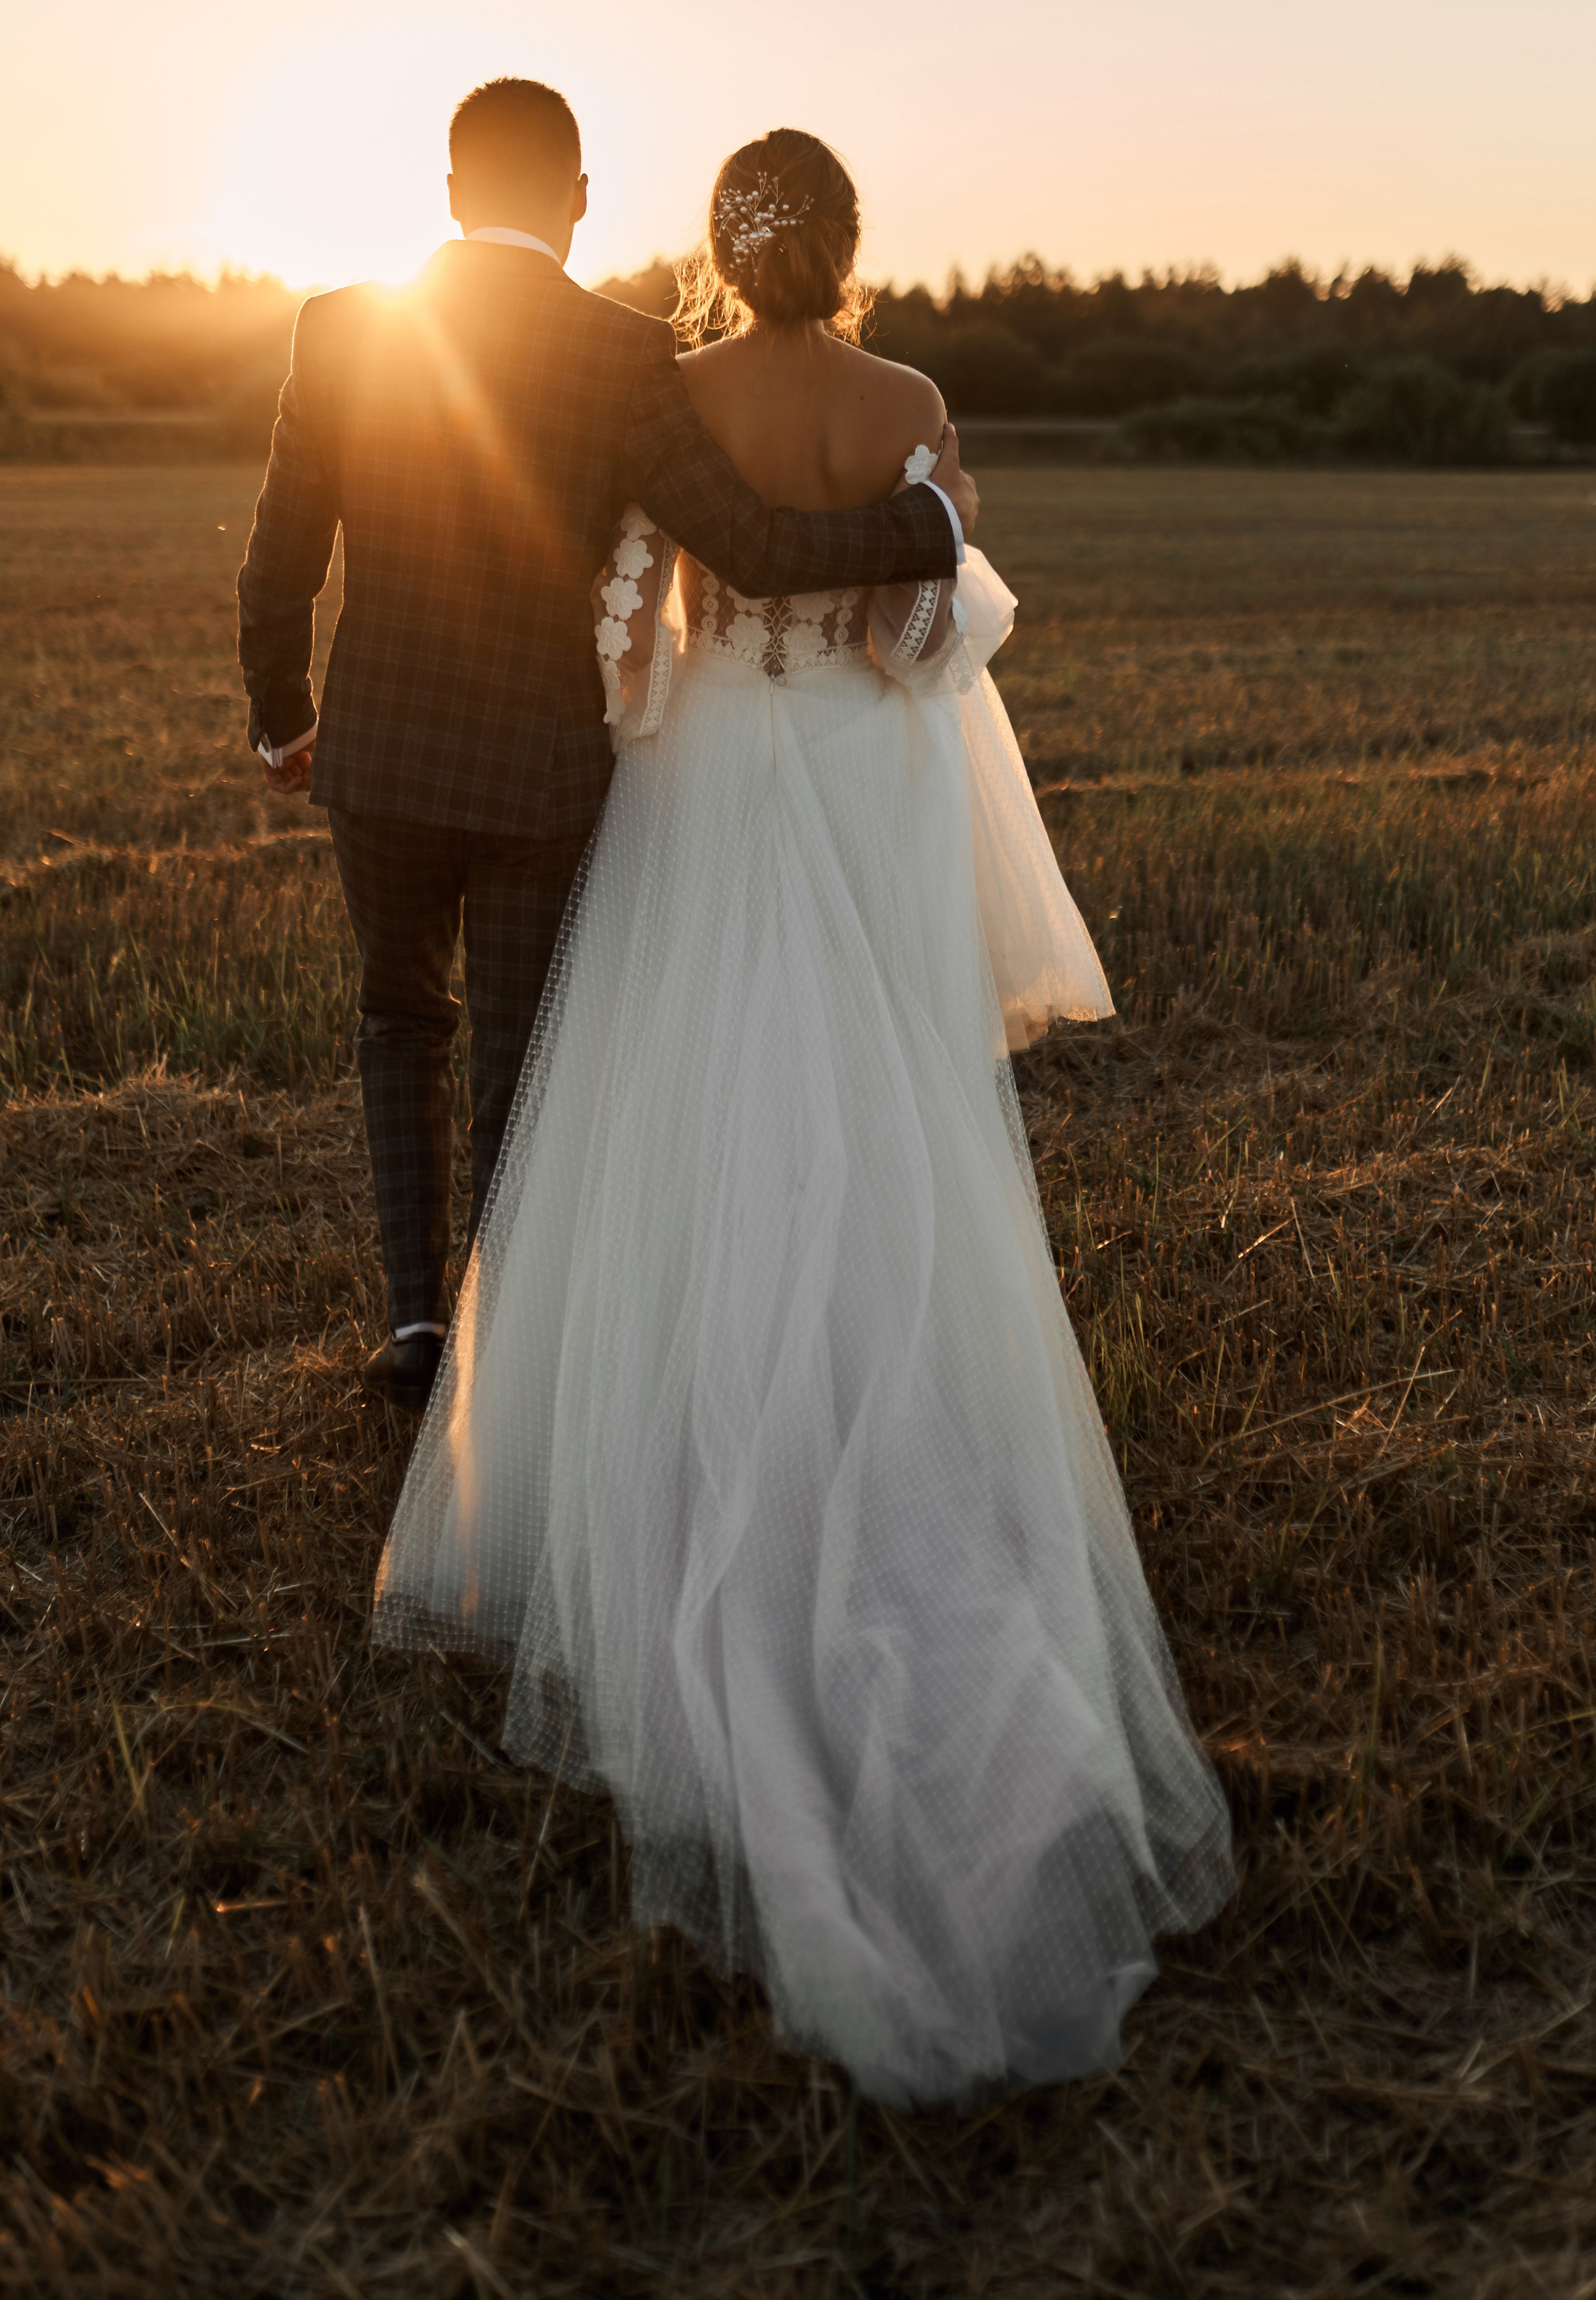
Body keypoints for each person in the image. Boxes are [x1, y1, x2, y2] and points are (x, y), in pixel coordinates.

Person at [371, 127, 1235, 2104]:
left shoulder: (663, 393)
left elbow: (644, 621)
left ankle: (659, 1443)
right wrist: (907, 563)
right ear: (847, 250)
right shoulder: (913, 402)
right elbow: (929, 643)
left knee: (675, 1111)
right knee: (877, 1114)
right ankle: (877, 1404)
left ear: (711, 247)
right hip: (849, 781)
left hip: (708, 784)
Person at [235, 82, 973, 1415]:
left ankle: (412, 1321)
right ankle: (500, 1340)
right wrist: (919, 533)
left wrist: (283, 709)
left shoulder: (342, 329)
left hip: (383, 759)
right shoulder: (623, 353)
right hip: (535, 768)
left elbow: (282, 548)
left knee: (399, 1020)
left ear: (453, 191)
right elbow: (752, 546)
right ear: (577, 201)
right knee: (522, 1054)